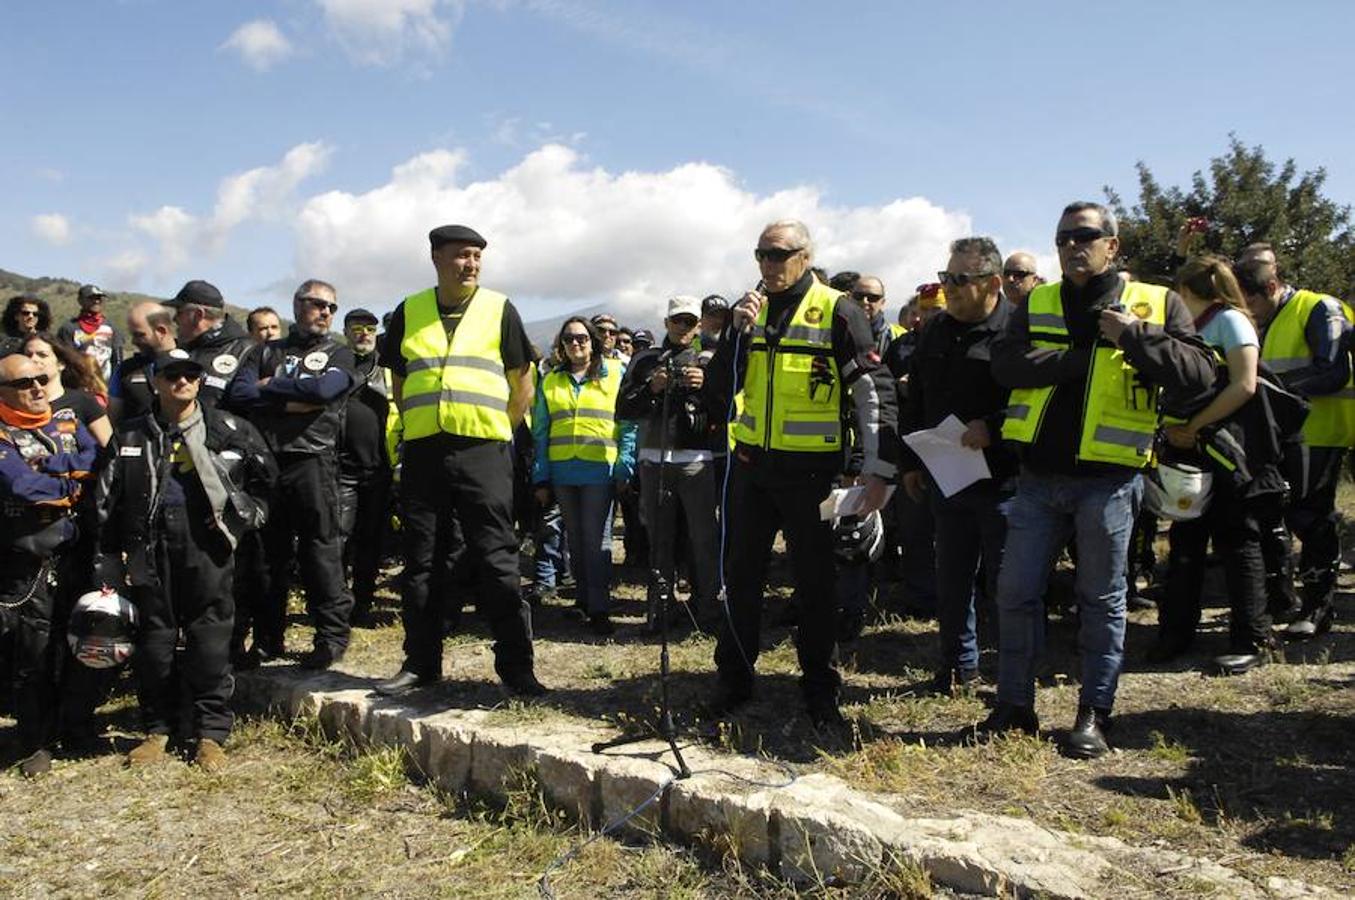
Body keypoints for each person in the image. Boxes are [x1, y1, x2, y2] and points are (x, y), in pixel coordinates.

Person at [986, 201, 1215, 758]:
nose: (1072, 245)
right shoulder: (1038, 300)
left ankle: (1094, 714)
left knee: (1102, 601)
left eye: (1085, 236)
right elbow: (1006, 365)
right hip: (1038, 479)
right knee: (1015, 593)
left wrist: (1137, 337)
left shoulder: (1156, 302)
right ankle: (1013, 706)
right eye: (1063, 237)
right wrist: (1081, 362)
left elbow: (1201, 374)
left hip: (1109, 482)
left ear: (1112, 245)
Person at [706, 219, 898, 729]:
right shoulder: (749, 311)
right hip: (752, 468)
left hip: (813, 474)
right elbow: (718, 391)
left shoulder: (838, 309)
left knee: (814, 586)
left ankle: (819, 687)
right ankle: (734, 679)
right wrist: (735, 334)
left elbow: (873, 391)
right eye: (761, 254)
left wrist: (877, 469)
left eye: (779, 254)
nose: (769, 264)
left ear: (806, 257)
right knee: (741, 579)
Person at [374, 224, 543, 698]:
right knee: (422, 561)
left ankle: (517, 669)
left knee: (496, 557)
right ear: (436, 258)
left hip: (483, 451)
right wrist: (418, 424)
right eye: (461, 255)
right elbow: (400, 382)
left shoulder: (499, 308)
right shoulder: (409, 311)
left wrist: (499, 430)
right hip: (425, 449)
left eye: (476, 256)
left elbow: (522, 384)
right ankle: (420, 664)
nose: (470, 264)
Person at [96, 350, 275, 772]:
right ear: (156, 383)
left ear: (199, 381)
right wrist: (109, 558)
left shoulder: (229, 428)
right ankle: (158, 729)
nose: (183, 382)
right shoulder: (131, 433)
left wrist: (245, 518)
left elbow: (267, 480)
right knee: (155, 641)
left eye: (191, 375)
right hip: (150, 545)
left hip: (208, 545)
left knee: (210, 638)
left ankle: (210, 733)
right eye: (172, 375)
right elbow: (105, 501)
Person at [1153, 255, 1281, 674]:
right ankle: (1175, 632)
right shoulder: (1185, 328)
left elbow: (1245, 384)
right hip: (1188, 452)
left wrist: (1196, 425)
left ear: (1187, 290)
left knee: (1238, 540)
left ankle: (1252, 638)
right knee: (1185, 540)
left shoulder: (1231, 321)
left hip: (1231, 449)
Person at [901, 238, 1016, 693]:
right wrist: (911, 461)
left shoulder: (1018, 329)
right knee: (951, 578)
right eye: (945, 276)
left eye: (959, 279)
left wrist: (994, 427)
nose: (947, 286)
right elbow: (917, 398)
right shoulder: (936, 330)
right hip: (948, 476)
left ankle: (1012, 676)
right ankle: (957, 668)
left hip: (1004, 480)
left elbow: (1035, 401)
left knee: (1008, 584)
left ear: (993, 283)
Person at [227, 279, 356, 670]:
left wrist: (271, 388)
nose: (326, 312)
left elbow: (325, 391)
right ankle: (268, 639)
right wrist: (289, 401)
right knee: (267, 556)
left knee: (321, 550)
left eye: (332, 307)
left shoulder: (339, 353)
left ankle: (330, 637)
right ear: (298, 305)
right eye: (318, 304)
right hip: (266, 463)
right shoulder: (265, 350)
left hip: (313, 460)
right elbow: (239, 394)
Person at [1236, 256, 1353, 639]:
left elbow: (1332, 372)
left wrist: (1266, 387)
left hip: (1319, 431)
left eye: (1251, 301)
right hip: (1277, 435)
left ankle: (1319, 607)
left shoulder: (1319, 307)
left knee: (1311, 518)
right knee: (1272, 516)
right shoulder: (1263, 317)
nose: (1248, 310)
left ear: (1271, 287)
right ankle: (1281, 599)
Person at [0, 351, 99, 777]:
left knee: (81, 642)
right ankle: (35, 741)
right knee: (33, 652)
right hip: (27, 561)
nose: (38, 388)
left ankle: (77, 727)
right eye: (24, 383)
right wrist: (72, 485)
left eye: (41, 378)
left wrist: (61, 467)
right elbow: (23, 485)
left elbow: (98, 458)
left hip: (78, 550)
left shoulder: (67, 421)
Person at [617, 295, 721, 634]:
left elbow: (729, 409)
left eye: (690, 321)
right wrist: (652, 387)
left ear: (699, 325)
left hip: (697, 460)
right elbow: (623, 409)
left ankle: (708, 611)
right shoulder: (645, 359)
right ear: (666, 323)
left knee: (704, 540)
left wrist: (705, 386)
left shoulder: (710, 358)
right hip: (654, 460)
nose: (683, 327)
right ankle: (660, 610)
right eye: (677, 320)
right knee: (659, 540)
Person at [532, 316, 636, 635]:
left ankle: (600, 607)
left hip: (599, 470)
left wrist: (625, 464)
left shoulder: (616, 373)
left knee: (596, 539)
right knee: (575, 541)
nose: (575, 343)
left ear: (593, 341)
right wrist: (541, 476)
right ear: (561, 345)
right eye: (568, 339)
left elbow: (628, 423)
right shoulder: (550, 380)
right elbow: (541, 432)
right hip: (563, 471)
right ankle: (583, 600)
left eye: (582, 338)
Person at [337, 308, 393, 628]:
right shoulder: (334, 363)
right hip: (340, 467)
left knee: (371, 539)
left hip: (379, 467)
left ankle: (363, 604)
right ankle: (336, 604)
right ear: (345, 331)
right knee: (338, 540)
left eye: (370, 329)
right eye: (357, 328)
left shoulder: (386, 368)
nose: (364, 334)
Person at [166, 280, 254, 410]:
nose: (174, 319)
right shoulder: (177, 350)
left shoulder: (247, 352)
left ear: (198, 315)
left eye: (179, 312)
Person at [24, 333, 113, 446]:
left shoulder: (84, 401)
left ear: (61, 364)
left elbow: (109, 446)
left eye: (42, 355)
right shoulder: (17, 403)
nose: (33, 359)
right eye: (28, 355)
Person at [109, 302, 177, 423]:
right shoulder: (125, 370)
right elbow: (113, 418)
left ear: (161, 331)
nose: (134, 341)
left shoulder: (190, 365)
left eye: (139, 335)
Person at [56, 284, 123, 383]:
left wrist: (114, 385)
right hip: (77, 385)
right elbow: (65, 359)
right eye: (91, 298)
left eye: (99, 298)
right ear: (80, 301)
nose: (96, 301)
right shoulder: (68, 328)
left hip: (106, 385)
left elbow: (117, 360)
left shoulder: (112, 328)